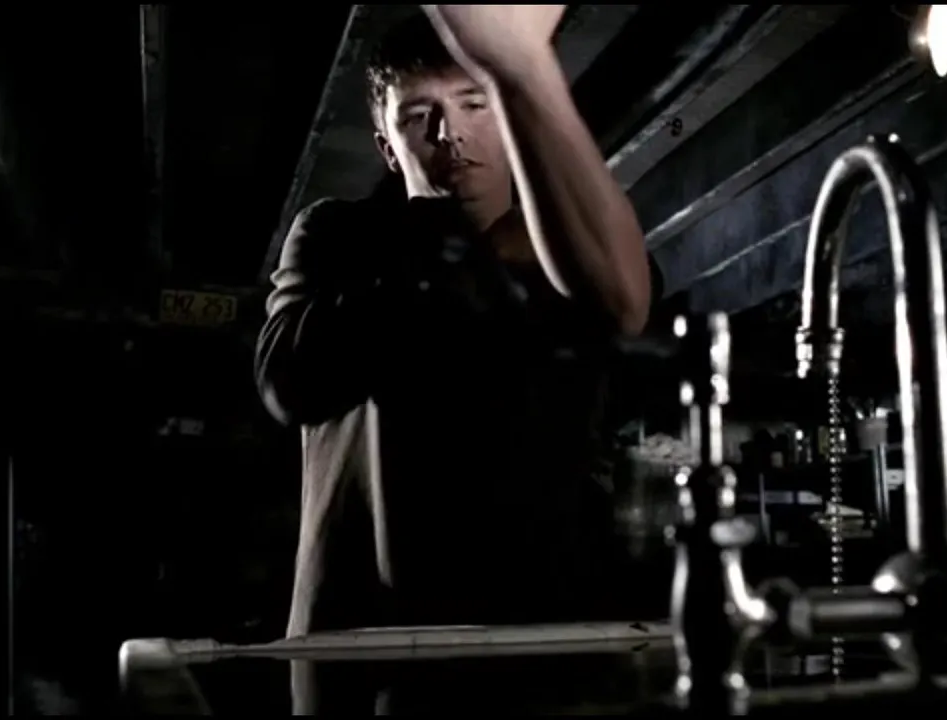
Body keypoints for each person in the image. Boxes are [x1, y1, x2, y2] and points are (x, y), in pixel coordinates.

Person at [254, 7, 661, 707]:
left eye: (475, 103)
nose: (452, 134)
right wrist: (469, 257)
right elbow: (288, 381)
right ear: (388, 147)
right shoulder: (337, 235)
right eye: (420, 116)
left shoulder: (566, 255)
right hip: (366, 648)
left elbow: (631, 316)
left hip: (539, 648)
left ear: (510, 117)